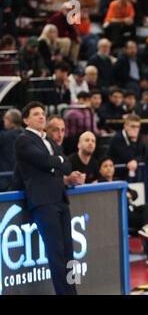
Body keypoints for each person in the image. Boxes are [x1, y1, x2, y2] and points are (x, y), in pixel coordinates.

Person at [11, 102, 77, 295]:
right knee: (56, 254)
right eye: (36, 114)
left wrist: (55, 163)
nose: (41, 116)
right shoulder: (23, 140)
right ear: (26, 120)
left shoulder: (49, 140)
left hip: (61, 199)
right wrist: (56, 162)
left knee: (69, 253)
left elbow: (67, 165)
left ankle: (73, 292)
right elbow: (45, 161)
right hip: (43, 202)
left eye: (43, 113)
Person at [98, 156, 148, 267]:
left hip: (130, 210)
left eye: (111, 165)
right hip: (118, 215)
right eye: (105, 166)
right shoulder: (99, 183)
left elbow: (134, 193)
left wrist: (129, 194)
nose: (109, 168)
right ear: (100, 170)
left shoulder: (118, 180)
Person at [46, 115, 86, 187]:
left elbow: (67, 171)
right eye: (55, 130)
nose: (60, 135)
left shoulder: (61, 152)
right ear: (45, 131)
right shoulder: (42, 153)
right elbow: (44, 179)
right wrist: (67, 179)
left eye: (62, 130)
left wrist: (76, 177)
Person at [108, 114, 146, 180]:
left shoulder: (140, 137)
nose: (136, 129)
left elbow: (144, 154)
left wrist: (136, 160)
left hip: (133, 175)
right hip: (118, 176)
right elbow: (128, 157)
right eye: (133, 126)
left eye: (138, 127)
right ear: (125, 126)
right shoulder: (117, 138)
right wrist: (134, 141)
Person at [0, 109, 23, 190]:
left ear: (11, 121)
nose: (3, 120)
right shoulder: (26, 135)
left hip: (5, 181)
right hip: (22, 181)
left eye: (5, 118)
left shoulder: (4, 137)